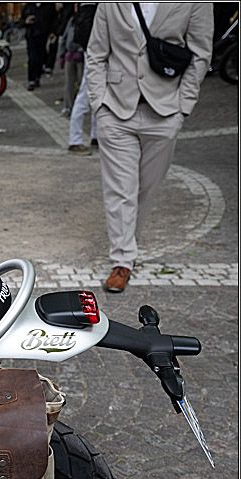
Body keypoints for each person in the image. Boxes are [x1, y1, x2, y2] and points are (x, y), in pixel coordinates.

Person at [86, 3, 213, 293]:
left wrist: (183, 106)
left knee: (146, 187)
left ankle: (127, 240)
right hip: (116, 108)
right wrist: (99, 103)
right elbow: (96, 52)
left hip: (165, 109)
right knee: (121, 188)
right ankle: (123, 260)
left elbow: (200, 53)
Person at [67, 2, 98, 154]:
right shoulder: (89, 7)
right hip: (94, 52)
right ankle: (75, 140)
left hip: (94, 51)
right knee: (86, 94)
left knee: (95, 93)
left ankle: (95, 136)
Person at [23, 3, 57, 90]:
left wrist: (53, 31)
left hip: (43, 34)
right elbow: (22, 20)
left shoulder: (48, 6)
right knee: (32, 57)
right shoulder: (29, 6)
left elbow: (54, 19)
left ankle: (37, 76)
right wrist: (25, 21)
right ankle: (32, 79)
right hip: (31, 34)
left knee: (40, 56)